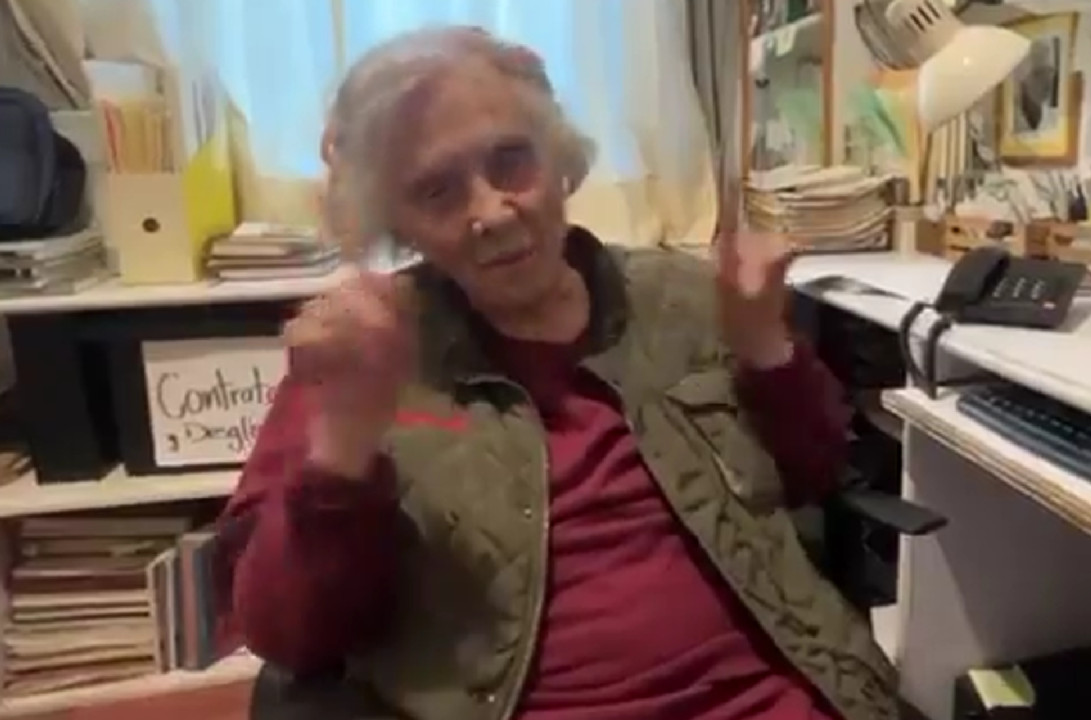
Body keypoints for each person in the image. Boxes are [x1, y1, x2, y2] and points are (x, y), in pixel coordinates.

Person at [215, 26, 897, 720]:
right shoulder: (362, 357)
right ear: (401, 225)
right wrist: (344, 445)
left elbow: (819, 478)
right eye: (437, 191)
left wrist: (766, 349)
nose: (490, 212)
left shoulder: (687, 297)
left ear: (561, 159)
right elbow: (288, 636)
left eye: (511, 160)